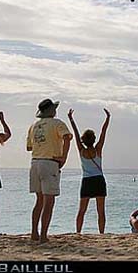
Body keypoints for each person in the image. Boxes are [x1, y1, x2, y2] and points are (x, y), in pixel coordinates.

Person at [26, 98, 73, 242]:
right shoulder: (57, 123)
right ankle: (44, 235)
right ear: (51, 110)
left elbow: (29, 147)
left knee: (39, 201)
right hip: (49, 162)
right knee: (49, 201)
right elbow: (67, 137)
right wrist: (63, 157)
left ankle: (34, 233)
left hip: (35, 162)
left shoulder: (34, 126)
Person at [67, 108, 111, 234]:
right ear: (93, 139)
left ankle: (78, 232)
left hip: (86, 181)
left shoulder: (81, 150)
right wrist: (108, 118)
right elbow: (104, 132)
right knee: (101, 211)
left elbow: (75, 133)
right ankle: (101, 233)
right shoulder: (98, 149)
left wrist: (71, 119)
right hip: (99, 179)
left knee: (81, 210)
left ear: (83, 140)